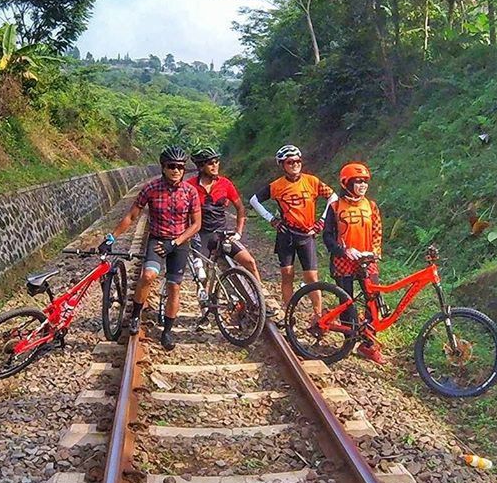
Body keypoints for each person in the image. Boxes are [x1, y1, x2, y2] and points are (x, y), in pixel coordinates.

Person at [98, 145, 201, 350]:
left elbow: (196, 224)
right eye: (171, 166)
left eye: (180, 167)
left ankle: (168, 331)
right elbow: (131, 215)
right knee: (148, 276)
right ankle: (136, 315)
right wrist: (111, 238)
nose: (176, 170)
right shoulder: (151, 188)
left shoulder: (190, 191)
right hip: (158, 239)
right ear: (163, 167)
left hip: (179, 243)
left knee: (174, 286)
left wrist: (176, 242)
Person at [249, 144, 338, 312]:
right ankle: (289, 314)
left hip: (307, 235)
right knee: (287, 274)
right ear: (282, 165)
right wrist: (272, 219)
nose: (295, 164)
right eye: (290, 162)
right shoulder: (277, 185)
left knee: (312, 277)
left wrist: (323, 220)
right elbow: (254, 200)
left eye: (298, 161)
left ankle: (318, 314)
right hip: (286, 235)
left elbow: (333, 197)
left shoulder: (312, 181)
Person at [323, 162, 386, 364]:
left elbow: (377, 231)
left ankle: (368, 344)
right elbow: (328, 237)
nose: (362, 185)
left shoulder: (371, 206)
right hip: (344, 262)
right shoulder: (335, 207)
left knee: (373, 300)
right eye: (357, 181)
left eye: (365, 182)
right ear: (346, 183)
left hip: (368, 261)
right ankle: (349, 341)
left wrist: (374, 251)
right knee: (346, 301)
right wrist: (344, 251)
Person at [186, 147, 261, 281]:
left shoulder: (225, 183)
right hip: (201, 236)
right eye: (210, 163)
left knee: (250, 262)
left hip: (222, 234)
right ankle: (205, 300)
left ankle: (258, 299)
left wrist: (238, 232)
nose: (215, 166)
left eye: (217, 162)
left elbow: (240, 208)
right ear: (201, 167)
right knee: (202, 276)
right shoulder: (189, 186)